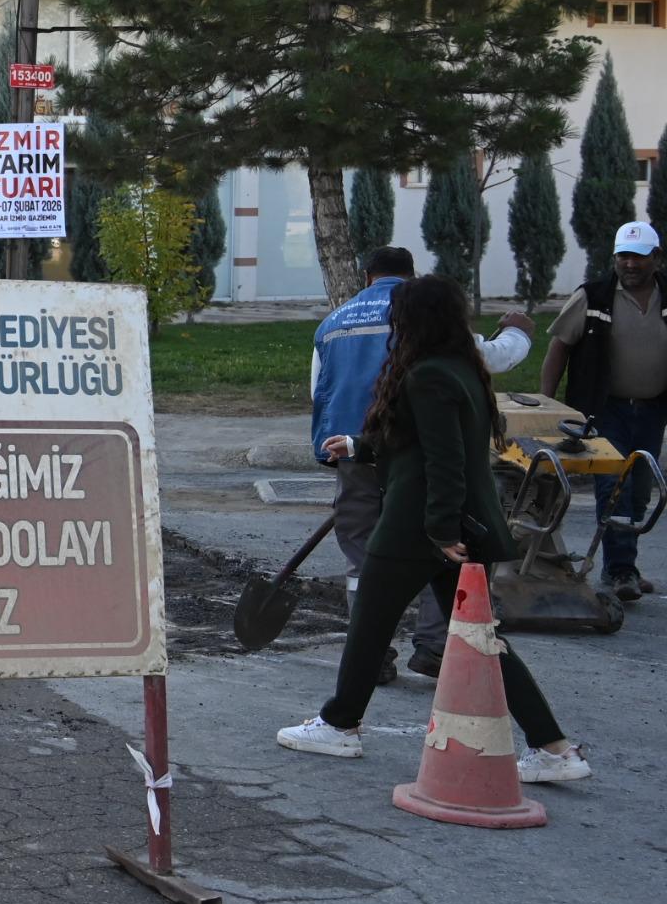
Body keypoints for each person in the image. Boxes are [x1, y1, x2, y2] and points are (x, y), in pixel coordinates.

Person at [279, 275, 590, 781]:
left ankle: (339, 726)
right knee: (480, 640)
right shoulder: (461, 370)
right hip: (454, 529)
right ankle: (555, 749)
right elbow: (425, 445)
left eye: (398, 315)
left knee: (370, 627)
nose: (392, 324)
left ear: (413, 321)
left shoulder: (425, 375)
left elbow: (445, 461)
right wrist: (361, 447)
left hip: (420, 527)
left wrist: (441, 532)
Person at [310, 246, 533, 676]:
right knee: (435, 546)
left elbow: (319, 389)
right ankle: (433, 646)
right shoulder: (428, 321)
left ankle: (370, 653)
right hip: (412, 456)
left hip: (353, 448)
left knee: (364, 554)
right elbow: (489, 358)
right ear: (411, 275)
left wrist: (341, 445)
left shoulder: (333, 322)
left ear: (366, 277)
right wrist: (518, 333)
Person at [539, 220, 664, 601]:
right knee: (615, 486)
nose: (630, 264)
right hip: (604, 409)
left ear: (656, 259)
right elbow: (558, 347)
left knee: (640, 490)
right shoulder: (593, 297)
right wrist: (546, 404)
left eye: (639, 257)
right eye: (623, 256)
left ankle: (621, 564)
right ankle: (620, 572)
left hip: (652, 410)